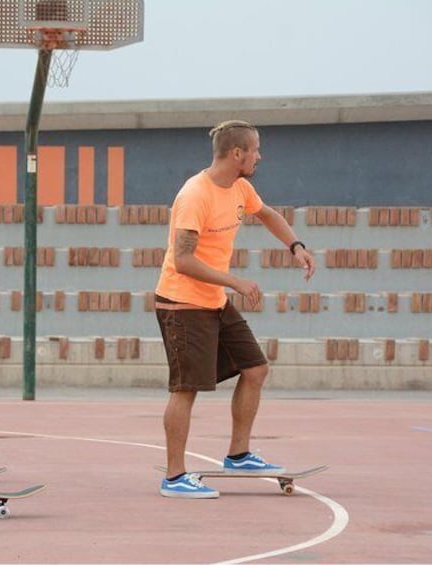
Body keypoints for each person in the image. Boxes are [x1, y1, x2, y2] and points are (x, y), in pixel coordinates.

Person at [155, 120, 316, 499]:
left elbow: (268, 215)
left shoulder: (241, 187)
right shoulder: (196, 195)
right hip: (181, 303)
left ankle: (239, 454)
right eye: (255, 149)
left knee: (255, 368)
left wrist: (296, 246)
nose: (260, 156)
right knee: (186, 389)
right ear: (237, 153)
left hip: (213, 301)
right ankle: (174, 478)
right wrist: (236, 282)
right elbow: (182, 260)